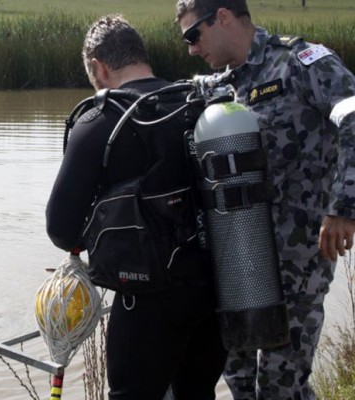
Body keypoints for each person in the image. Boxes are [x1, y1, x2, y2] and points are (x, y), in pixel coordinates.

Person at [175, 1, 355, 399]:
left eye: (193, 35)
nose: (190, 48)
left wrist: (344, 207)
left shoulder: (301, 64)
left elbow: (354, 119)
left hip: (299, 259)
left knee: (280, 385)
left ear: (222, 17)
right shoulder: (221, 86)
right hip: (241, 258)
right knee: (238, 378)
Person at [45, 14, 227, 399]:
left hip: (146, 302)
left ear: (98, 66)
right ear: (142, 55)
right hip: (215, 291)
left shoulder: (98, 121)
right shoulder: (195, 104)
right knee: (197, 393)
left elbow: (60, 227)